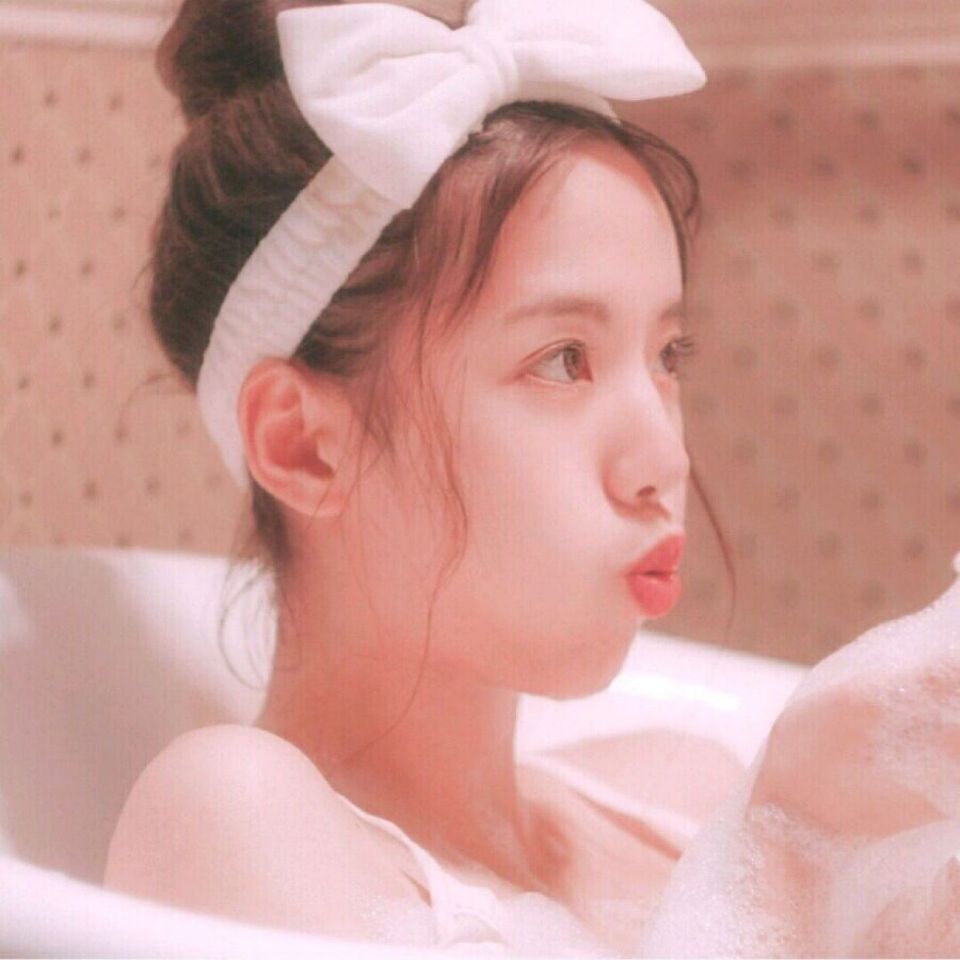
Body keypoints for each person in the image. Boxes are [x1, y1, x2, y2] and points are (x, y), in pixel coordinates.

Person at [102, 0, 746, 954]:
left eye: (667, 355)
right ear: (304, 446)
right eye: (563, 361)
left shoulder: (686, 797)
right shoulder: (235, 815)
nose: (663, 461)